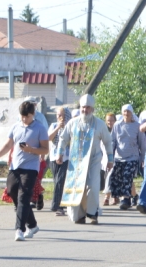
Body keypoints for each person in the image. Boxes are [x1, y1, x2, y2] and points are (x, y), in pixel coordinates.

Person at [0, 99, 50, 241]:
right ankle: (33, 225)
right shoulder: (16, 127)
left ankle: (19, 229)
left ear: (33, 114)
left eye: (27, 116)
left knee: (24, 197)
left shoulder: (40, 128)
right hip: (15, 166)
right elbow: (8, 145)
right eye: (22, 116)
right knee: (12, 191)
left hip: (30, 167)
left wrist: (31, 149)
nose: (24, 119)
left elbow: (46, 149)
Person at [57, 94, 114, 224]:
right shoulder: (72, 123)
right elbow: (63, 138)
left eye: (88, 108)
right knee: (77, 187)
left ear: (92, 109)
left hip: (93, 161)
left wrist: (110, 160)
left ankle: (93, 214)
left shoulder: (99, 124)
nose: (85, 110)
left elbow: (108, 142)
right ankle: (79, 216)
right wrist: (60, 153)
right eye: (83, 107)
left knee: (92, 187)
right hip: (75, 162)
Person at [110, 104, 141, 209]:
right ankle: (134, 196)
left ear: (132, 113)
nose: (126, 113)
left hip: (132, 156)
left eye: (128, 111)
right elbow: (113, 141)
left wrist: (143, 158)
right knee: (121, 178)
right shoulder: (117, 125)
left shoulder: (137, 125)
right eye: (124, 111)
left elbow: (141, 143)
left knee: (127, 177)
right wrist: (110, 156)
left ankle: (125, 199)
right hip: (119, 157)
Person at [48, 106, 70, 216]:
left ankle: (57, 206)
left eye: (61, 115)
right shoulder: (53, 125)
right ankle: (60, 205)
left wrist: (65, 127)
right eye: (57, 115)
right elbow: (49, 138)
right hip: (54, 157)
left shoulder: (70, 126)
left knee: (60, 180)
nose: (59, 117)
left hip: (66, 157)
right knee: (56, 181)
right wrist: (58, 128)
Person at [102, 112, 118, 206]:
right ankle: (115, 197)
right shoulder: (103, 131)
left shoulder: (117, 130)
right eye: (108, 120)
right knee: (111, 177)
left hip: (117, 158)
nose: (110, 122)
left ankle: (106, 198)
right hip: (105, 158)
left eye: (112, 120)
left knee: (110, 177)